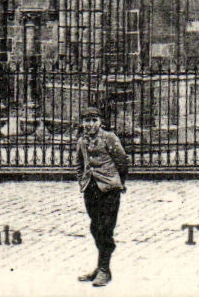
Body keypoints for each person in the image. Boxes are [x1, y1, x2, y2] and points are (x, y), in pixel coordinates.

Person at [76, 105, 130, 287]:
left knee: (105, 228)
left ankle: (104, 270)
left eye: (94, 120)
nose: (90, 124)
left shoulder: (109, 138)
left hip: (109, 190)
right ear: (82, 123)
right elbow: (79, 164)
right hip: (90, 189)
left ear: (100, 122)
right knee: (95, 227)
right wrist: (82, 181)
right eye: (86, 121)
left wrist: (117, 182)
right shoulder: (82, 141)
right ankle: (100, 266)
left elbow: (122, 161)